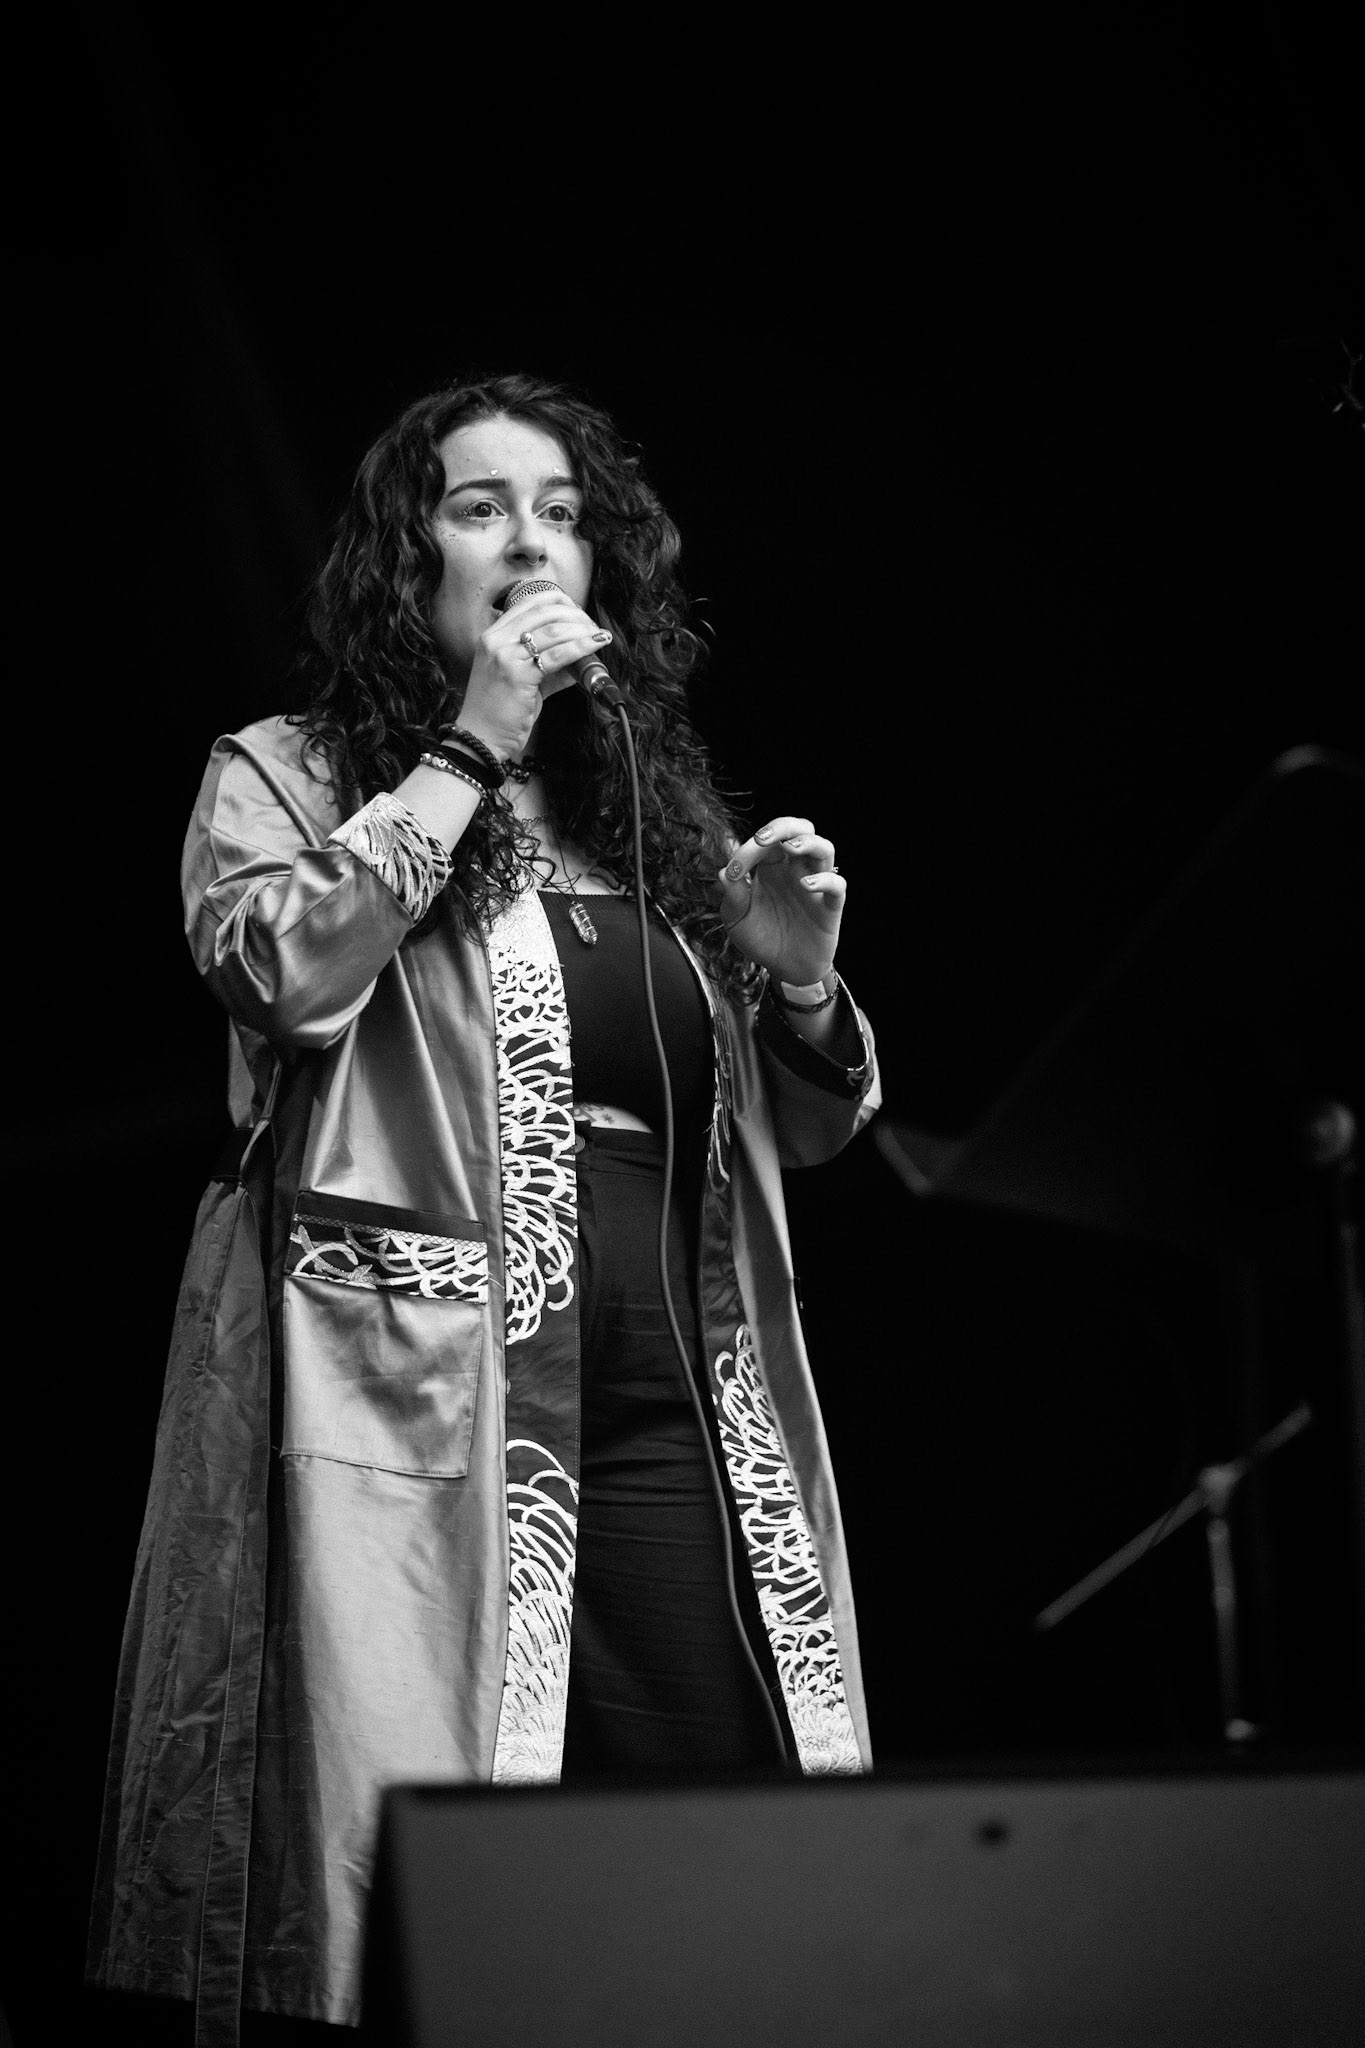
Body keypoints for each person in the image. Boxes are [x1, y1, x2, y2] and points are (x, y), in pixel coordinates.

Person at [86, 373, 881, 2036]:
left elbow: (794, 1141)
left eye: (565, 512)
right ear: (410, 561)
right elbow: (280, 972)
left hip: (676, 1411)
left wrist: (798, 991)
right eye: (479, 506)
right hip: (433, 1414)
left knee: (723, 1843)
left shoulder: (641, 824)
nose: (531, 541)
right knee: (451, 1877)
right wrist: (469, 743)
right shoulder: (291, 771)